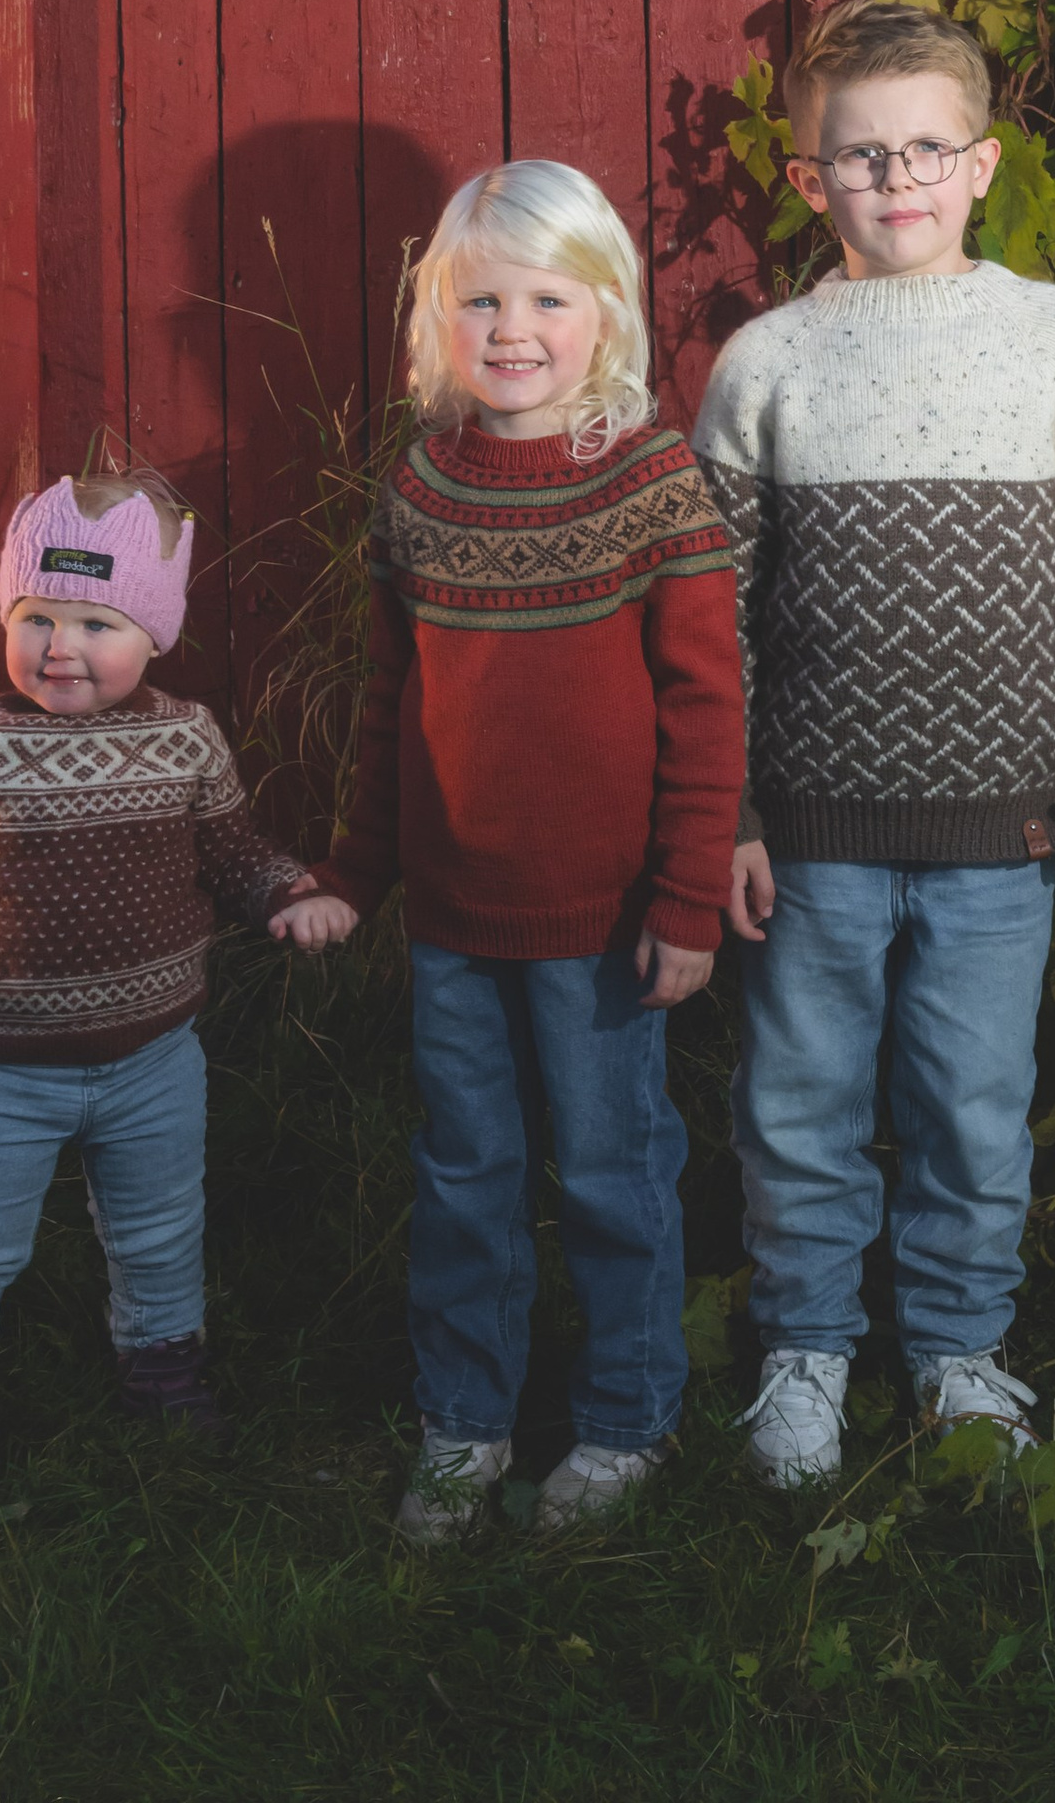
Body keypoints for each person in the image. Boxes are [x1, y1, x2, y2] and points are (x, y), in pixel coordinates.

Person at [694, 0, 1055, 1489]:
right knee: (798, 1104)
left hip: (1014, 831)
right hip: (811, 830)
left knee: (974, 1105)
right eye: (861, 155)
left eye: (927, 147)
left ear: (983, 163)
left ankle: (958, 1351)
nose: (897, 176)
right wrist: (722, 811)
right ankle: (803, 1348)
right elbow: (706, 607)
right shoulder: (768, 359)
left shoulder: (1053, 335)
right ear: (808, 180)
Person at [313, 160, 744, 1546]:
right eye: (480, 299)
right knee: (466, 1173)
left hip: (609, 920)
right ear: (437, 316)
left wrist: (687, 898)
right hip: (451, 915)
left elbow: (705, 701)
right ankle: (464, 1423)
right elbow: (392, 706)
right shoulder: (425, 486)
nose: (512, 328)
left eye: (547, 299)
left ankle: (626, 1420)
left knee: (615, 1171)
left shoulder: (647, 480)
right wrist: (350, 874)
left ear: (605, 314)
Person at [0, 470, 353, 1489]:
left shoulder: (186, 735)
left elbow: (231, 850)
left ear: (154, 631)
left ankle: (162, 1376)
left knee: (161, 1233)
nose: (58, 645)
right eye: (34, 615)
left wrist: (290, 891)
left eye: (95, 619)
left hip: (156, 1056)